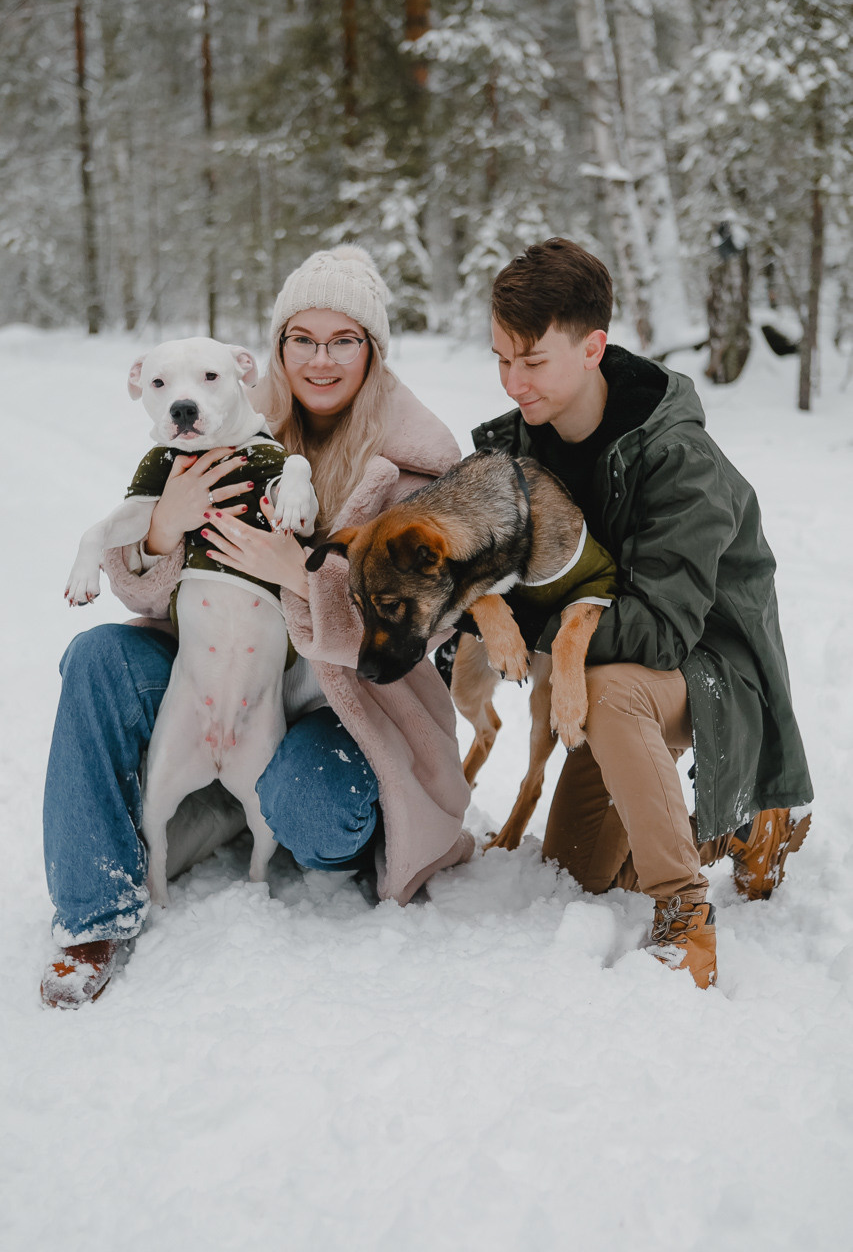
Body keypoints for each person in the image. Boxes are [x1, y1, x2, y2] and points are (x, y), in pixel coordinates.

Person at [41, 245, 473, 1009]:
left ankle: (326, 812)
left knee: (314, 807)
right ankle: (93, 916)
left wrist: (296, 575)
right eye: (301, 339)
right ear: (273, 348)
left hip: (344, 692)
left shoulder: (421, 464)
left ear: (373, 349)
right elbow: (145, 601)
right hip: (220, 661)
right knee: (98, 656)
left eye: (344, 340)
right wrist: (160, 535)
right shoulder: (214, 407)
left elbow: (408, 633)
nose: (320, 359)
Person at [472, 237, 813, 988]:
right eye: (500, 359)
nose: (511, 381)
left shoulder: (676, 457)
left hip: (711, 668)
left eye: (531, 361)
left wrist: (530, 629)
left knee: (610, 688)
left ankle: (685, 918)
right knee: (577, 876)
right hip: (605, 678)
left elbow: (660, 634)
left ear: (592, 347)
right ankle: (738, 831)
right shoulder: (517, 452)